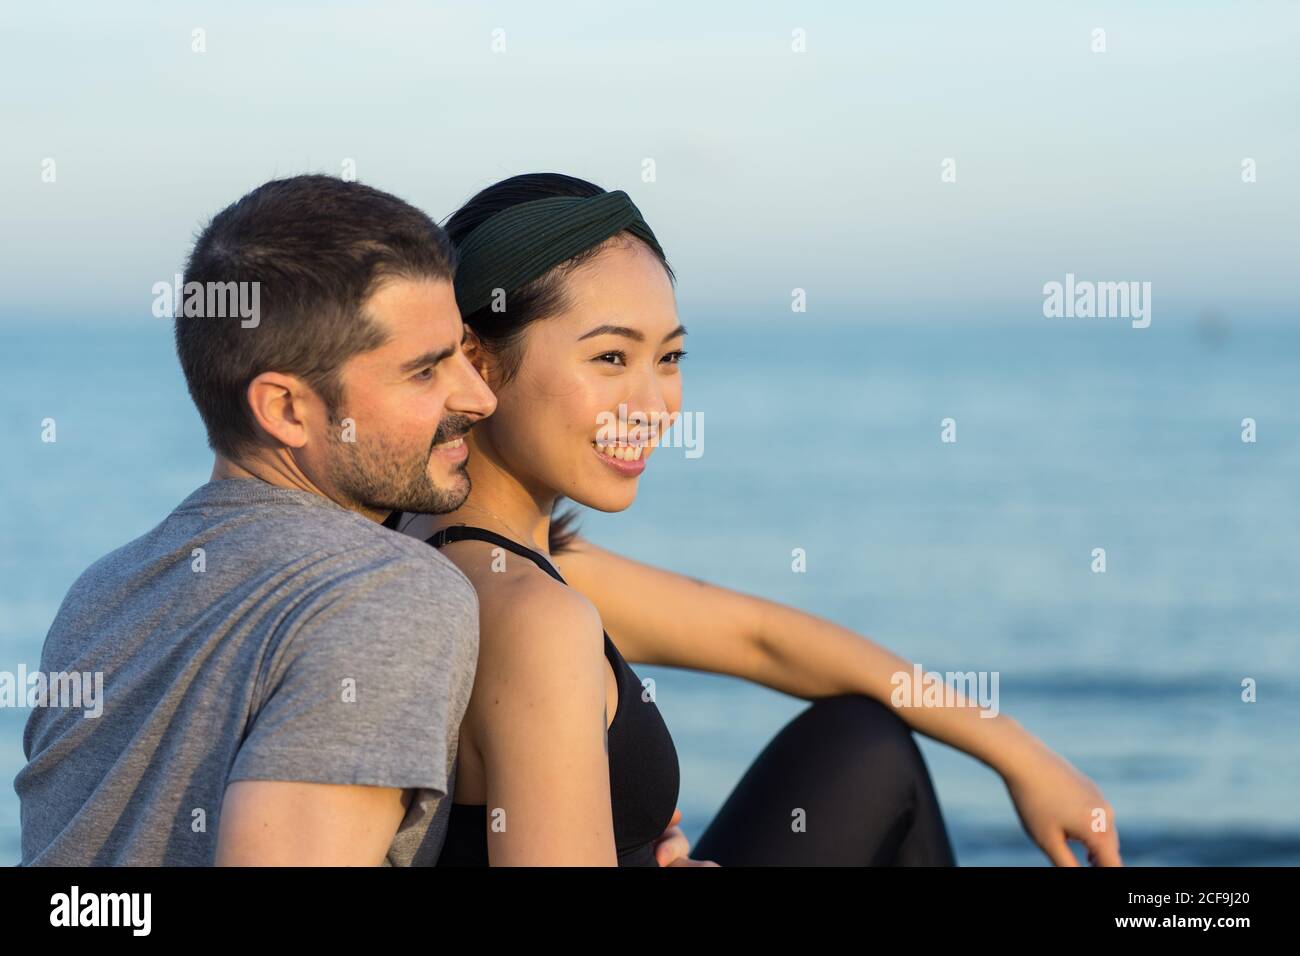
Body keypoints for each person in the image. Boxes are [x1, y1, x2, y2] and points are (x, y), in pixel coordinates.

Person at [388, 173, 1124, 867]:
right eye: (611, 357)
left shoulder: (449, 554)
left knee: (861, 740)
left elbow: (764, 640)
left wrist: (1019, 754)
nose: (654, 405)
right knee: (873, 756)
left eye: (669, 358)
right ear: (476, 362)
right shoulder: (533, 619)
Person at [14, 174, 497, 865]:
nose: (477, 397)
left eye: (463, 352)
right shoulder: (389, 594)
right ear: (286, 410)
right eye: (425, 372)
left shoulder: (100, 592)